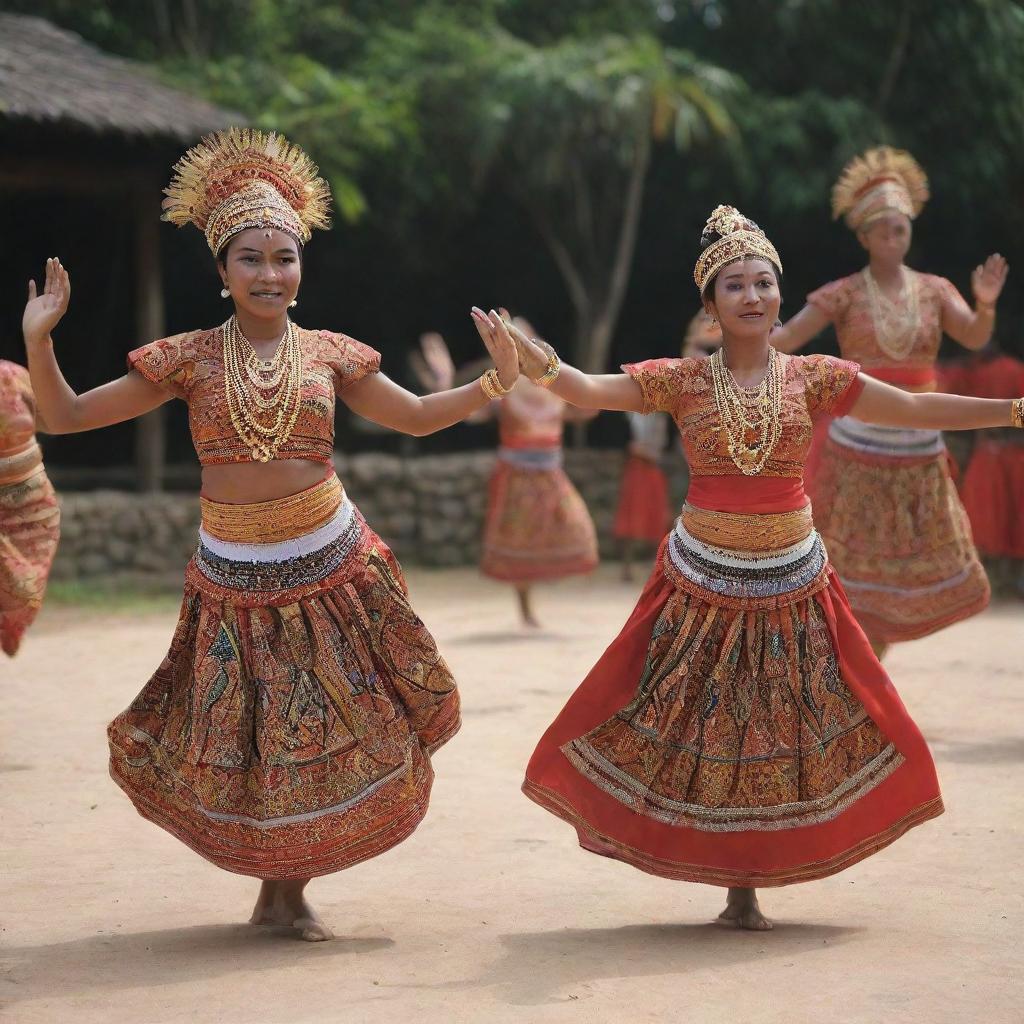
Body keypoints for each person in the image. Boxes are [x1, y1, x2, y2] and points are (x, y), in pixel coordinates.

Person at [20, 128, 517, 941]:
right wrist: (40, 341)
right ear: (221, 273)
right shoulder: (185, 360)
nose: (269, 274)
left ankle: (287, 892)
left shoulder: (330, 355)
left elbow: (420, 418)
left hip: (330, 562)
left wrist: (495, 379)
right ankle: (273, 891)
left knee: (318, 726)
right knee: (251, 733)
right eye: (250, 259)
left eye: (284, 257)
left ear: (300, 267)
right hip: (232, 575)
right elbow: (63, 415)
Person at [473, 205, 1024, 930]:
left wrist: (1012, 410)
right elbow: (587, 389)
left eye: (764, 282)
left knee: (783, 730)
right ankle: (733, 883)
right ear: (710, 304)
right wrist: (535, 362)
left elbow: (915, 409)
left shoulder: (817, 375)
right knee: (708, 729)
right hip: (701, 582)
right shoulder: (683, 381)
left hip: (794, 580)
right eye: (734, 285)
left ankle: (753, 883)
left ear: (780, 295)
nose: (753, 296)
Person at [771, 147, 1007, 654]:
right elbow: (787, 339)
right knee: (847, 549)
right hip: (858, 435)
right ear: (863, 237)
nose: (893, 238)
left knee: (907, 549)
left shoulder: (936, 290)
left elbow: (972, 334)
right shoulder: (844, 293)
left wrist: (985, 302)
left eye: (901, 229)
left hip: (919, 442)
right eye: (883, 230)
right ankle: (858, 657)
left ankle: (873, 656)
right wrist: (735, 331)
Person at [412, 323, 598, 627]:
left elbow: (588, 408)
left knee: (576, 526)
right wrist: (444, 384)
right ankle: (526, 609)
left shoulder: (553, 389)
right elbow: (467, 413)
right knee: (519, 539)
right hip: (518, 473)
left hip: (550, 471)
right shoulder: (504, 390)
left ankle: (546, 596)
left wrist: (563, 372)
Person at [940, 345, 1024, 594]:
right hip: (1000, 452)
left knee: (990, 520)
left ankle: (996, 582)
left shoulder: (979, 371)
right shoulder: (996, 370)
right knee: (996, 519)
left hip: (997, 452)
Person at [0, 360, 60, 656]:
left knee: (22, 588)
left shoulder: (11, 376)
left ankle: (11, 626)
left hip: (31, 506)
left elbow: (55, 419)